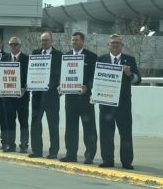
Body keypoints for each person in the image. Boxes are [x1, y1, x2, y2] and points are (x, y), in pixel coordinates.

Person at [97, 34, 141, 170]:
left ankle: (126, 161)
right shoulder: (101, 59)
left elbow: (138, 80)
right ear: (108, 45)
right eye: (112, 43)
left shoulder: (130, 60)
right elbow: (95, 80)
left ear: (122, 45)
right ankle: (107, 159)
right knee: (106, 133)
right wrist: (94, 94)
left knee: (126, 133)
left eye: (118, 43)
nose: (115, 45)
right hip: (105, 103)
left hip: (123, 104)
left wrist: (129, 74)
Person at [60, 32, 98, 164]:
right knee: (70, 127)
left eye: (76, 40)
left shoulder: (92, 57)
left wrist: (87, 86)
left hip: (86, 98)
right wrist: (61, 86)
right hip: (70, 99)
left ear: (82, 42)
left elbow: (95, 77)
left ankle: (89, 155)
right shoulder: (66, 56)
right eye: (72, 40)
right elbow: (63, 75)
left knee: (89, 127)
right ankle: (71, 154)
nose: (74, 42)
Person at [29, 32, 63, 159]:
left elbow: (61, 73)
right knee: (35, 123)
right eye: (42, 41)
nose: (44, 43)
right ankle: (36, 150)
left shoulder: (59, 55)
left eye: (46, 40)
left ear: (51, 41)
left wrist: (56, 84)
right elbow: (31, 71)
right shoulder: (35, 53)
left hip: (52, 95)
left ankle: (53, 151)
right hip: (37, 94)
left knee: (53, 124)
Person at [1, 37, 29, 153]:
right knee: (9, 121)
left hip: (22, 97)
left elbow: (31, 76)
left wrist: (25, 88)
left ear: (20, 46)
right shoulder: (4, 58)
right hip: (8, 97)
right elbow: (0, 76)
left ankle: (23, 145)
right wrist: (1, 87)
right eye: (11, 44)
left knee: (23, 121)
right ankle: (10, 144)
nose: (13, 46)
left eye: (15, 44)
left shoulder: (27, 59)